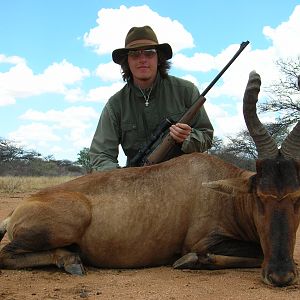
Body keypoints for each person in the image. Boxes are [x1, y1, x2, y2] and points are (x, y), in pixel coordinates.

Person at [89, 25, 214, 171]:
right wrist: (122, 179)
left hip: (183, 179)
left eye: (149, 53)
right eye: (135, 54)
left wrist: (188, 138)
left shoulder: (187, 91)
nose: (142, 59)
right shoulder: (115, 104)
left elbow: (206, 137)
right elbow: (101, 155)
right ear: (127, 61)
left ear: (158, 58)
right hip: (136, 182)